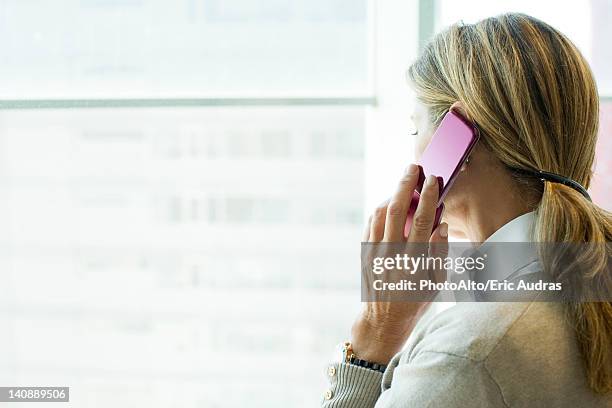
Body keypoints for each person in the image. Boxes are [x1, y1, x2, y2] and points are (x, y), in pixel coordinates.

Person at [321, 13, 611, 407]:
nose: (413, 150)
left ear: (459, 135)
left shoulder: (468, 353)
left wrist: (375, 337)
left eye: (415, 129)